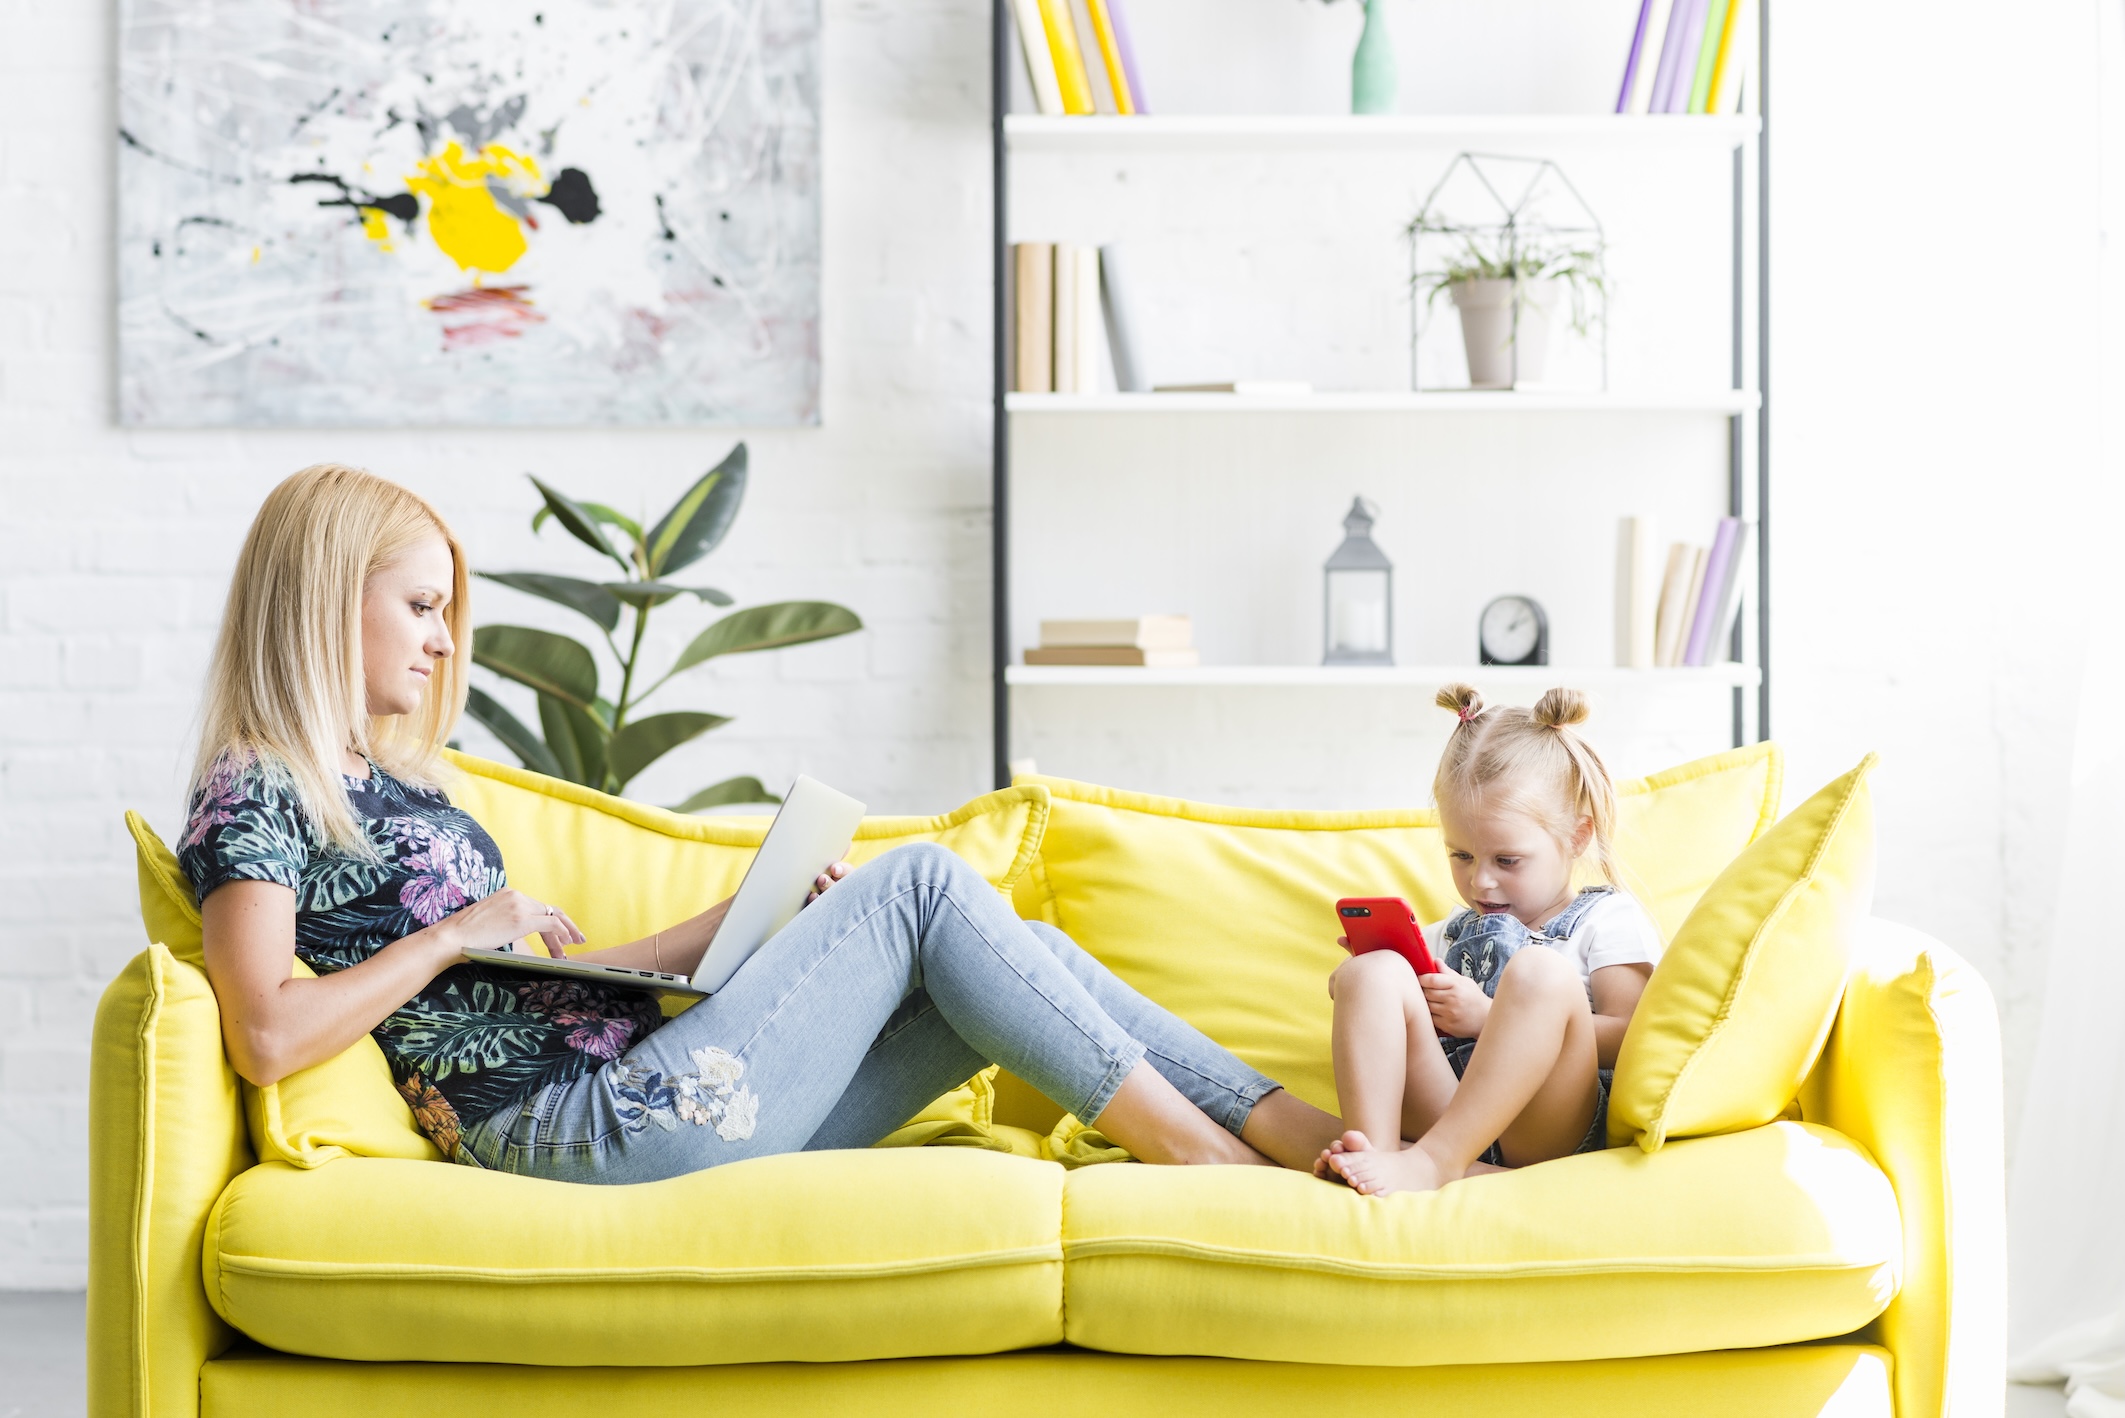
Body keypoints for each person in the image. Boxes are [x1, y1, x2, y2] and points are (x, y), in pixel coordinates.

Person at [179, 463, 1344, 1184]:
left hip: (635, 1086)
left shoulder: (401, 783)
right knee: (928, 883)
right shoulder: (257, 787)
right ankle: (1200, 1154)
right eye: (421, 606)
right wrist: (444, 932)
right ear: (328, 595)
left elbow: (535, 989)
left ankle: (1301, 1132)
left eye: (446, 610)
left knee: (1008, 952)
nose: (443, 640)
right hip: (585, 1129)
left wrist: (756, 915)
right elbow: (266, 1036)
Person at [1317, 684, 1660, 1196]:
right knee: (1373, 973)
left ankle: (1432, 1163)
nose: (1481, 882)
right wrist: (1366, 974)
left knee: (1538, 973)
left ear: (1576, 837)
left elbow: (1635, 1032)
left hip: (1545, 1129)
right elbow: (1362, 999)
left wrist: (1485, 1017)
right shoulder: (1454, 931)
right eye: (1462, 857)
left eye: (1507, 860)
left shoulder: (1607, 918)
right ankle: (1376, 1156)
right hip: (1449, 1110)